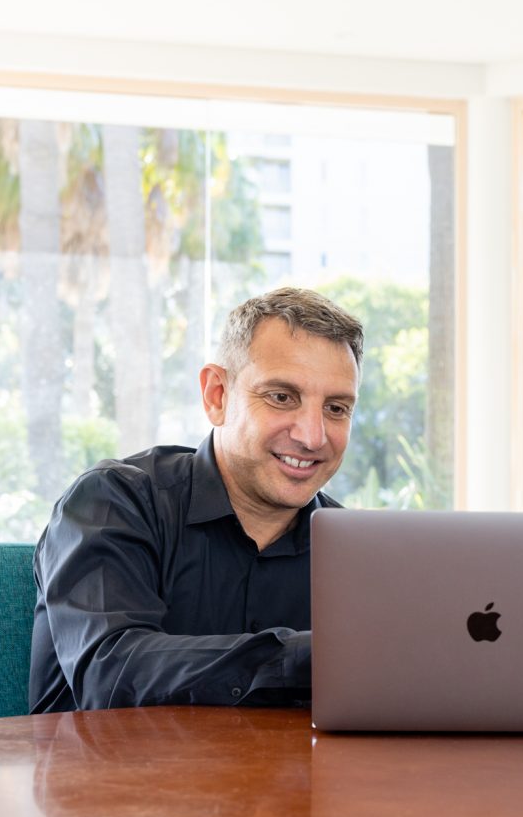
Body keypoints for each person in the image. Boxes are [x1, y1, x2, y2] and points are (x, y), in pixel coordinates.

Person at [28, 287, 363, 713]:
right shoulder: (112, 502)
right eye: (282, 397)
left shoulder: (352, 550)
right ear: (217, 396)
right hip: (111, 776)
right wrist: (310, 656)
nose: (313, 436)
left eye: (336, 408)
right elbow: (110, 674)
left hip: (291, 780)